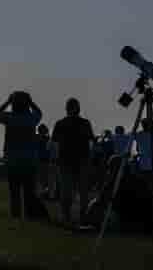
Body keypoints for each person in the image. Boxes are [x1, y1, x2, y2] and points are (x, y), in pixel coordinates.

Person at [0, 91, 44, 220]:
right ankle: (29, 215)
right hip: (29, 159)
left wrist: (8, 101)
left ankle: (15, 215)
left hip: (12, 159)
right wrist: (31, 102)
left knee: (14, 191)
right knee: (29, 191)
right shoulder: (30, 119)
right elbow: (39, 113)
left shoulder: (10, 117)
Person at [52, 97, 95, 226]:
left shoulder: (60, 123)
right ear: (78, 108)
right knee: (82, 192)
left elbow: (54, 143)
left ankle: (66, 217)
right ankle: (83, 217)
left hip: (66, 161)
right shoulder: (85, 123)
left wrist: (55, 159)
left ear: (66, 109)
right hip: (81, 160)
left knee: (67, 191)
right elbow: (91, 141)